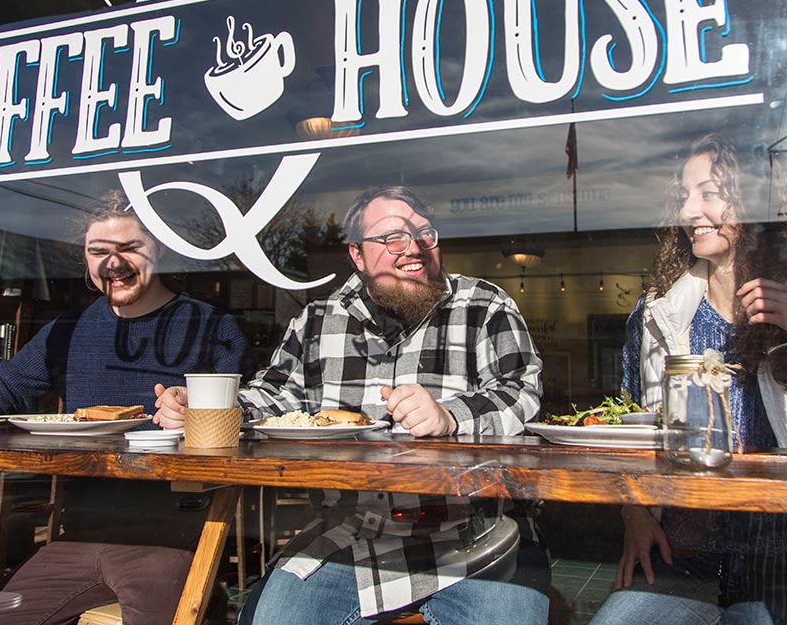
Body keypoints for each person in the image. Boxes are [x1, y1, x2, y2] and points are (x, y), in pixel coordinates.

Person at [157, 185, 548, 625]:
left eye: (424, 234)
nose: (414, 247)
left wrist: (450, 416)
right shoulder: (318, 320)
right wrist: (210, 409)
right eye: (392, 237)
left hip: (474, 536)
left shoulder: (484, 305)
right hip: (349, 533)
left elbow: (521, 394)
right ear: (357, 256)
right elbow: (276, 395)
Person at [0, 190, 252, 625]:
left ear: (160, 250)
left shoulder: (209, 325)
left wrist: (198, 415)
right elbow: (2, 388)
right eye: (98, 251)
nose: (113, 263)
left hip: (173, 537)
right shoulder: (68, 330)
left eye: (130, 247)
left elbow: (253, 409)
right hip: (79, 536)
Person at [590, 135, 787, 625]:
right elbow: (633, 426)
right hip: (685, 554)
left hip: (779, 561)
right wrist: (635, 513)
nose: (691, 210)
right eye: (683, 196)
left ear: (755, 197)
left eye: (710, 192)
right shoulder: (659, 313)